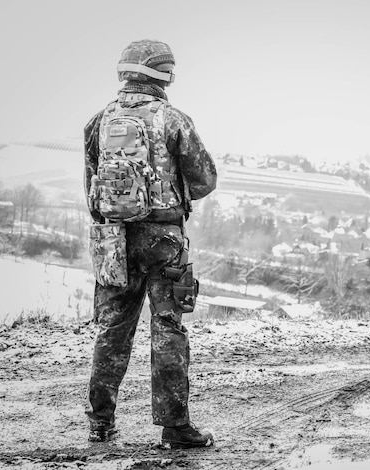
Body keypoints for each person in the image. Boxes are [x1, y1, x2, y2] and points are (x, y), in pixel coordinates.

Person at [83, 39, 217, 448]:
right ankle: (175, 428)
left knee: (112, 331)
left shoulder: (99, 121)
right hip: (163, 240)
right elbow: (204, 179)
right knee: (168, 329)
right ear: (164, 74)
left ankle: (100, 422)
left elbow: (91, 182)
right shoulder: (174, 120)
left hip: (113, 240)